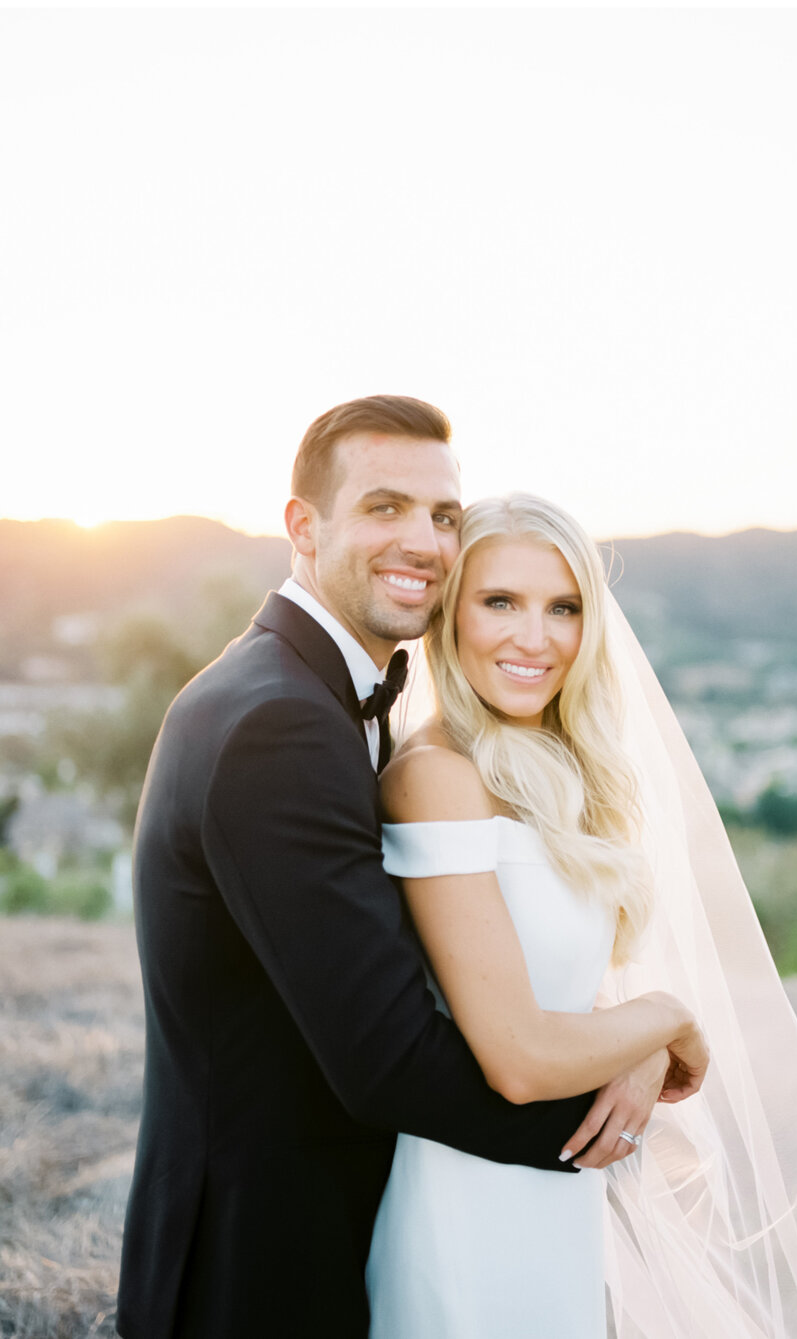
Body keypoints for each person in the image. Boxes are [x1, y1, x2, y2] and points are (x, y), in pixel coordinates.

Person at [116, 397, 699, 1339]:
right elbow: (391, 1059)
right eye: (385, 507)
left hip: (334, 1229)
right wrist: (627, 1071)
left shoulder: (319, 696)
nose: (422, 541)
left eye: (441, 516)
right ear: (303, 526)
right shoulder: (279, 722)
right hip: (258, 1264)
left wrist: (611, 1045)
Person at [366, 493, 797, 1338]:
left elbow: (549, 987)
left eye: (564, 608)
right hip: (468, 1195)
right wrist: (664, 1017)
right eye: (500, 601)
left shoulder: (555, 771)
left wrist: (631, 1043)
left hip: (563, 1180)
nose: (535, 637)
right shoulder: (436, 776)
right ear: (449, 614)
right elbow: (514, 1057)